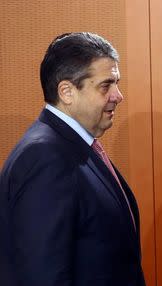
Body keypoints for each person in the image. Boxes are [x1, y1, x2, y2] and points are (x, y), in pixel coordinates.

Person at [0, 32, 146, 286]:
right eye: (106, 85)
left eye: (117, 83)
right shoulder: (45, 157)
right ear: (67, 92)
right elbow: (43, 275)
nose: (118, 96)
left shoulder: (68, 145)